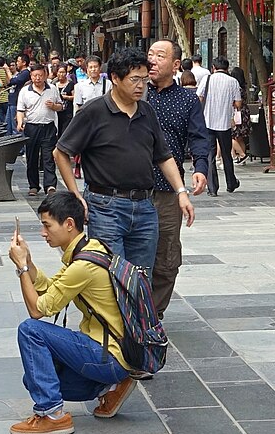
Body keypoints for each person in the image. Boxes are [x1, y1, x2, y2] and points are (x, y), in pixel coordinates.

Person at [54, 46, 194, 291]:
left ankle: (138, 328)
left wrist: (181, 192)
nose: (140, 86)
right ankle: (113, 329)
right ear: (116, 79)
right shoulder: (94, 111)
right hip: (105, 206)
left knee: (141, 278)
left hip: (144, 207)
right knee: (111, 277)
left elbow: (164, 156)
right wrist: (76, 195)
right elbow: (61, 152)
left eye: (144, 79)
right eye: (134, 80)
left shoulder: (147, 111)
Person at [7, 191, 138, 434]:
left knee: (30, 330)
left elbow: (37, 310)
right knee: (34, 378)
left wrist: (23, 268)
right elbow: (49, 288)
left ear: (69, 224)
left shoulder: (83, 267)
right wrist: (29, 264)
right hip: (115, 354)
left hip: (106, 354)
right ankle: (109, 387)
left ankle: (52, 414)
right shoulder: (92, 249)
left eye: (47, 226)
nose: (43, 233)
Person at [144, 39, 212, 315]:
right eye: (150, 54)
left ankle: (154, 313)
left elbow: (198, 137)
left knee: (166, 254)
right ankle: (130, 311)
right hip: (130, 188)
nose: (152, 60)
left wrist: (201, 167)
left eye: (160, 56)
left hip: (168, 190)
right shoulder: (133, 93)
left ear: (175, 65)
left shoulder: (186, 100)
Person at [16, 65, 66, 196]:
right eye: (34, 76)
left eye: (40, 75)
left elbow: (61, 107)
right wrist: (20, 122)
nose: (37, 78)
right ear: (31, 77)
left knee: (48, 157)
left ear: (45, 75)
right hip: (31, 127)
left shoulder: (52, 89)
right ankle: (33, 185)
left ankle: (50, 185)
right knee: (32, 158)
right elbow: (20, 110)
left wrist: (54, 106)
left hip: (48, 127)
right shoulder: (25, 91)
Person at [201, 57, 242, 195]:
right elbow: (238, 103)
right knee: (226, 154)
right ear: (227, 68)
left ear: (213, 67)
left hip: (207, 122)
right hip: (224, 123)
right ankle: (231, 183)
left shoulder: (207, 79)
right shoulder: (233, 81)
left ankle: (212, 188)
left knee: (210, 155)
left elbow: (199, 98)